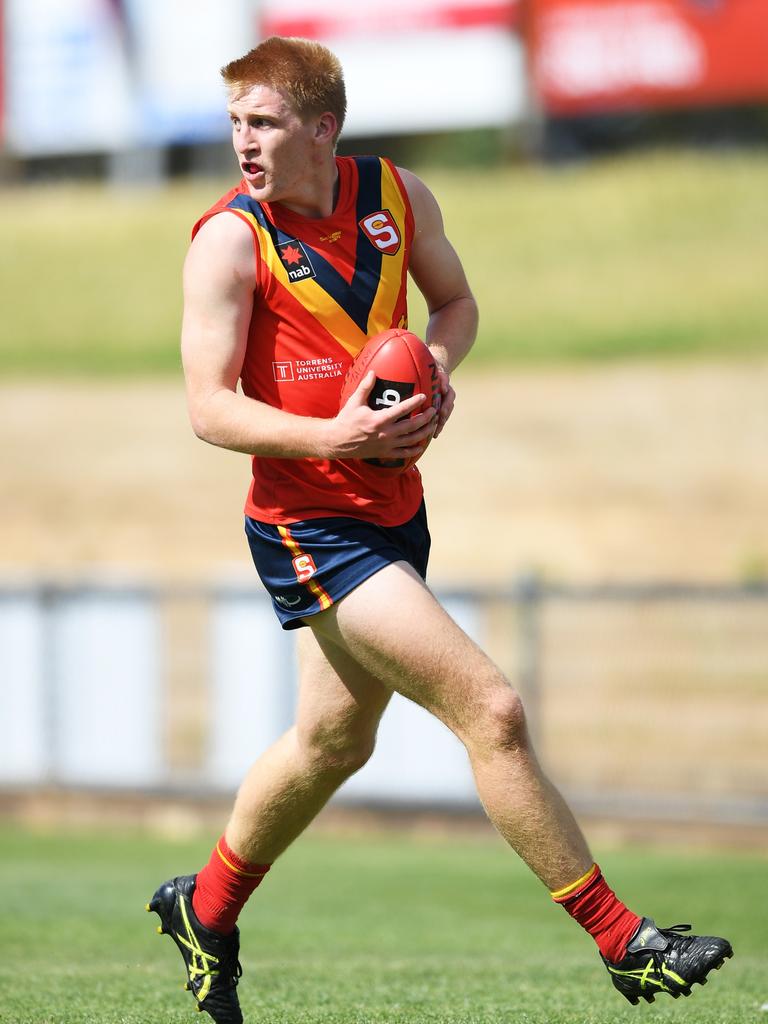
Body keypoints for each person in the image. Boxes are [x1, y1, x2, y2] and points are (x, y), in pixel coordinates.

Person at [146, 36, 732, 1024]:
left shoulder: (398, 198)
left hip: (394, 507)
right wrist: (335, 433)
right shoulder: (229, 242)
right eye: (235, 122)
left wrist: (440, 367)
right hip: (309, 524)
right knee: (491, 710)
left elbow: (452, 303)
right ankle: (625, 942)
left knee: (332, 742)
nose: (242, 142)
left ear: (323, 127)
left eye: (265, 121)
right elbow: (208, 408)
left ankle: (204, 907)